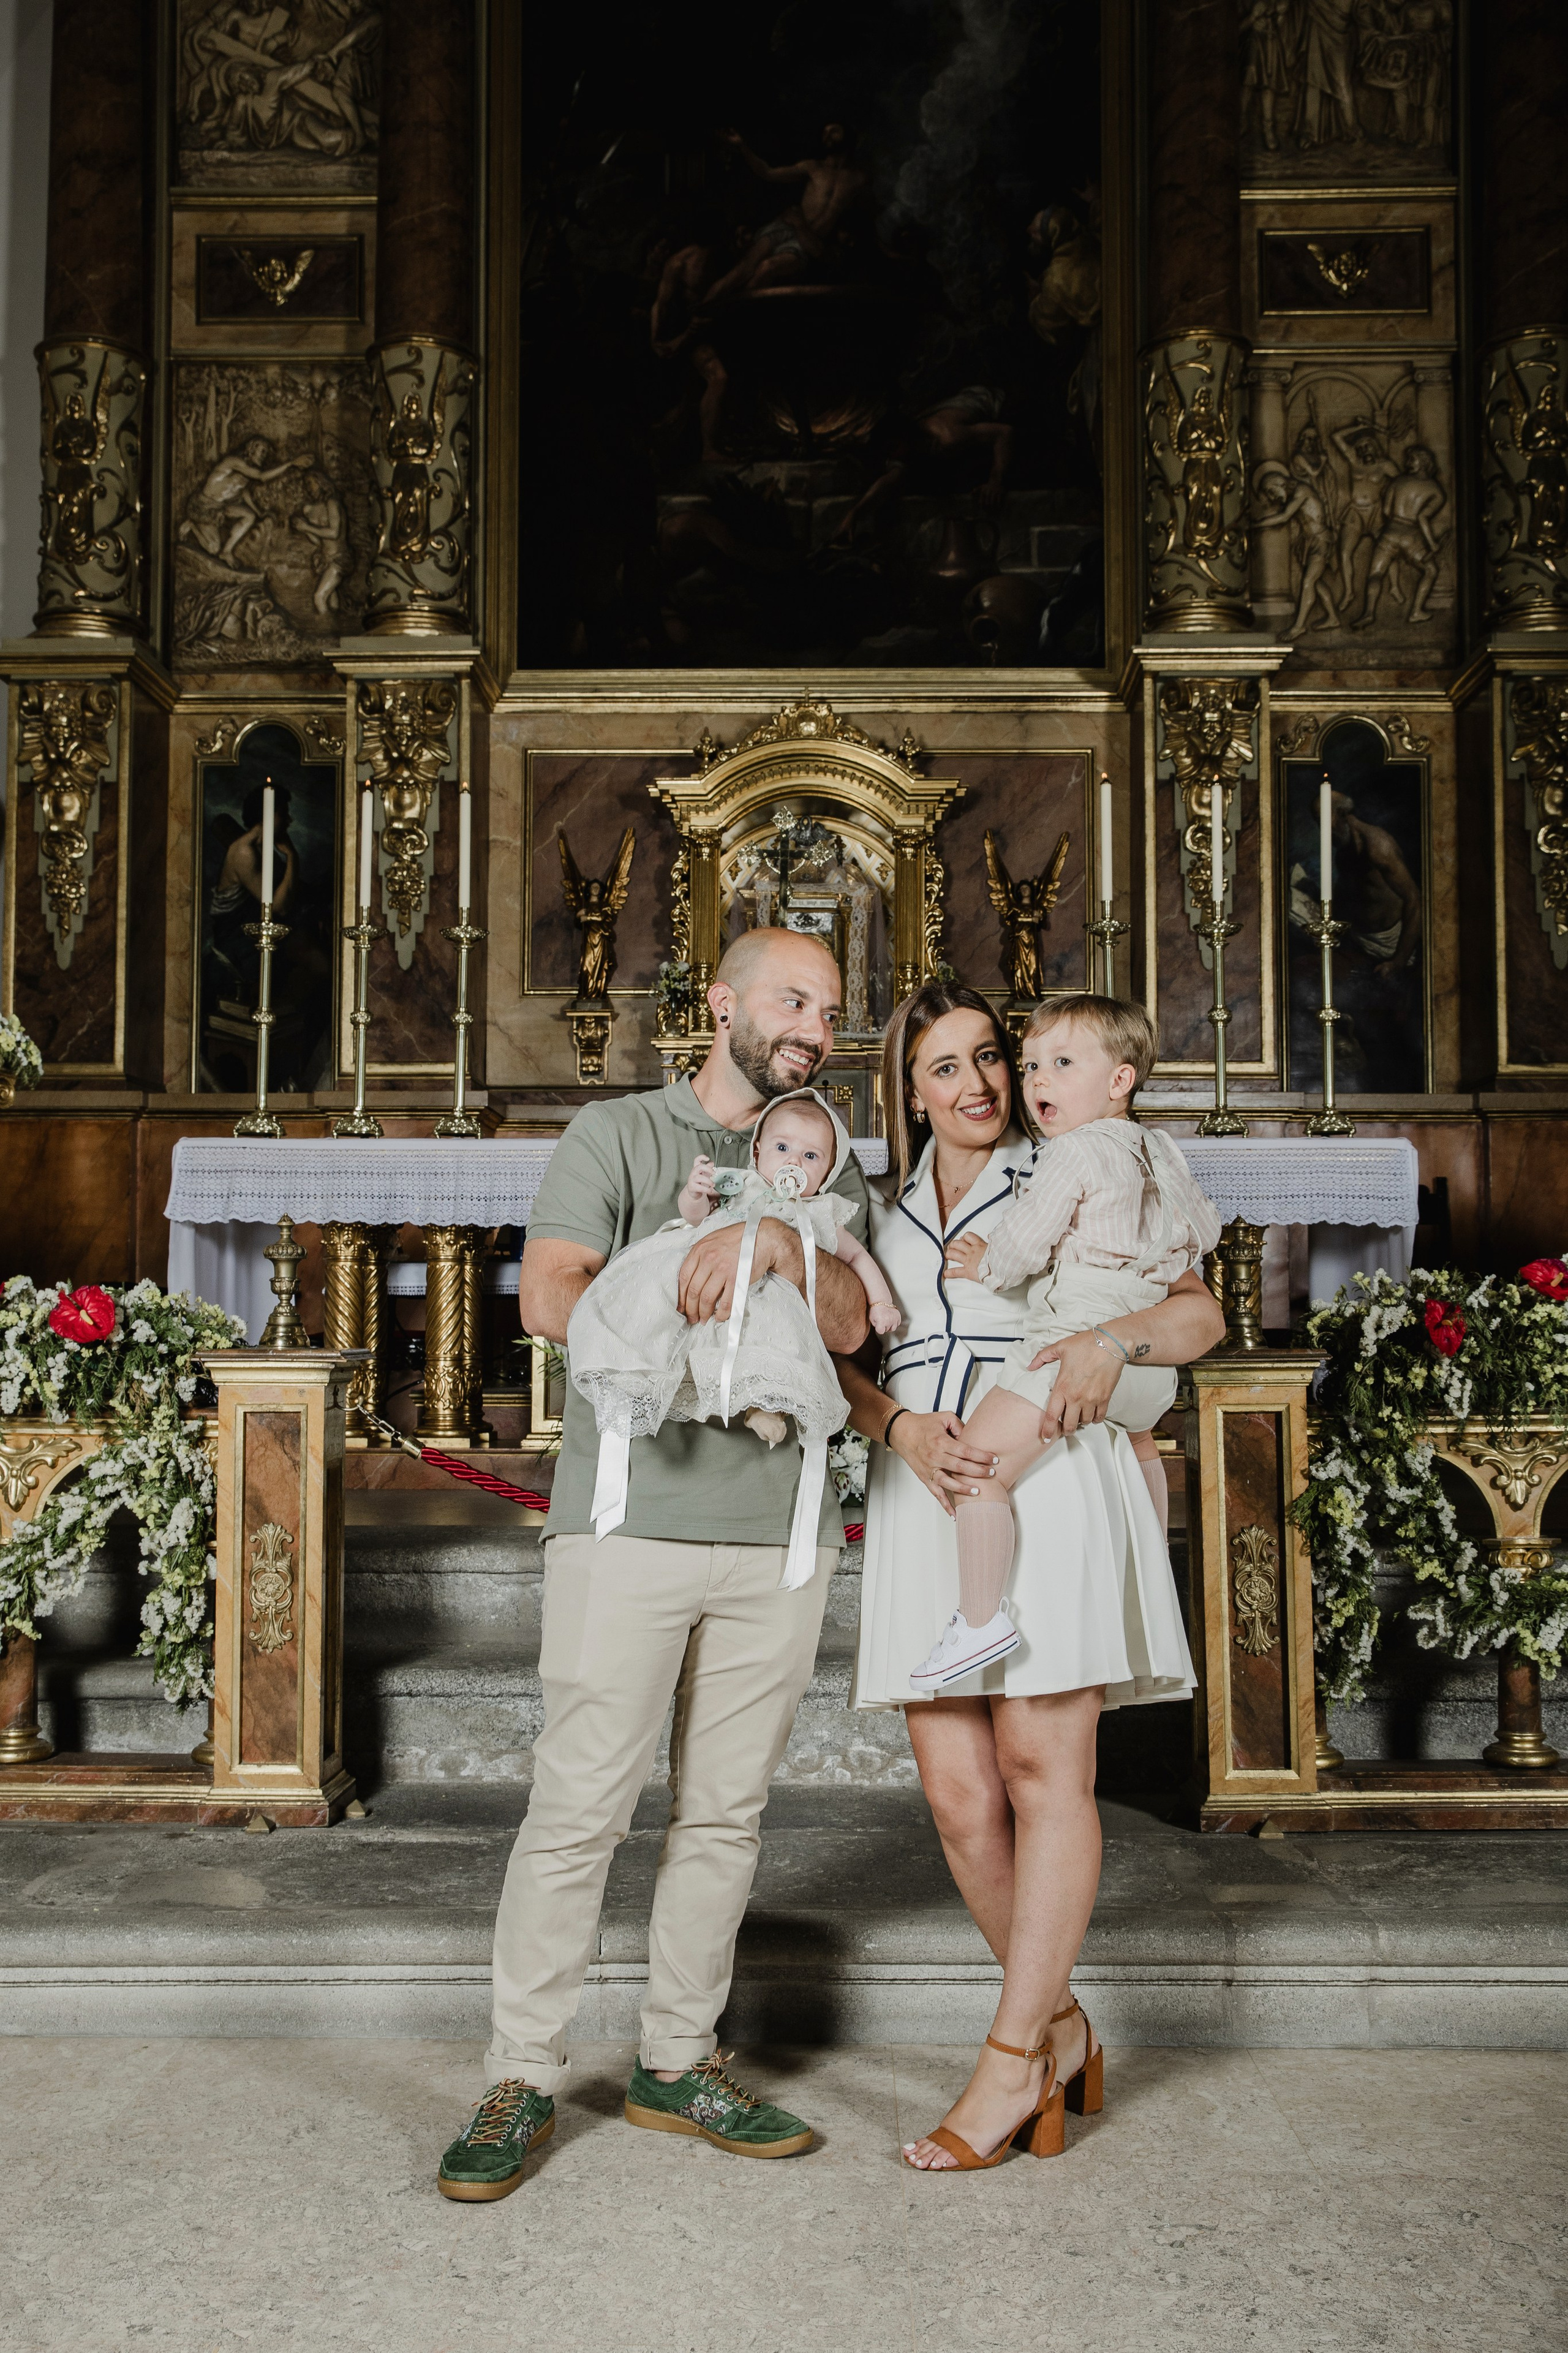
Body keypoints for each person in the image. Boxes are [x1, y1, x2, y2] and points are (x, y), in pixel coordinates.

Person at [435, 928, 871, 2201]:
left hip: (775, 1540)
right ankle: (520, 2073)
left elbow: (851, 1334)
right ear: (723, 1002)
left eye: (832, 1006)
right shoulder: (619, 1137)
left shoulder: (827, 1157)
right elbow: (550, 1300)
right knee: (577, 1814)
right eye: (792, 997)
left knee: (725, 1818)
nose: (814, 1022)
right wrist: (685, 1293)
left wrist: (789, 1249)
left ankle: (677, 2061)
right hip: (628, 1529)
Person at [839, 980, 1225, 2171]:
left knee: (1036, 1763)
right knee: (957, 1795)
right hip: (926, 1491)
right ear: (906, 1089)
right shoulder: (867, 1205)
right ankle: (1056, 2025)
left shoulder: (1069, 1159)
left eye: (991, 1058)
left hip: (1045, 1469)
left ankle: (1008, 2061)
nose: (977, 1084)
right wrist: (894, 1427)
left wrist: (1112, 1344)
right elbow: (837, 1360)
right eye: (943, 1067)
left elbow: (1198, 1313)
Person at [911, 995, 1220, 1690]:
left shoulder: (1069, 1151)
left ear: (1121, 1080)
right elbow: (1200, 1230)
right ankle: (1151, 1587)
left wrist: (984, 1262)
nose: (1037, 1081)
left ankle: (980, 1618)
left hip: (1074, 1343)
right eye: (1029, 1066)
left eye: (1060, 1064)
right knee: (1141, 1443)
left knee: (978, 1469)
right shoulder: (1159, 1148)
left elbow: (1025, 1241)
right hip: (1145, 1367)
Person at [565, 1087, 897, 1578]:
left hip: (770, 1301)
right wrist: (696, 1192)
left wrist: (883, 1302)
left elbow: (856, 1259)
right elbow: (695, 1215)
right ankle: (648, 1369)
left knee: (779, 1338)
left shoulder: (819, 1214)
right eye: (783, 1148)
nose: (794, 1162)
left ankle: (762, 1404)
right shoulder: (739, 1184)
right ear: (758, 1151)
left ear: (826, 1172)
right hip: (711, 1287)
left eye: (811, 1156)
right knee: (674, 1312)